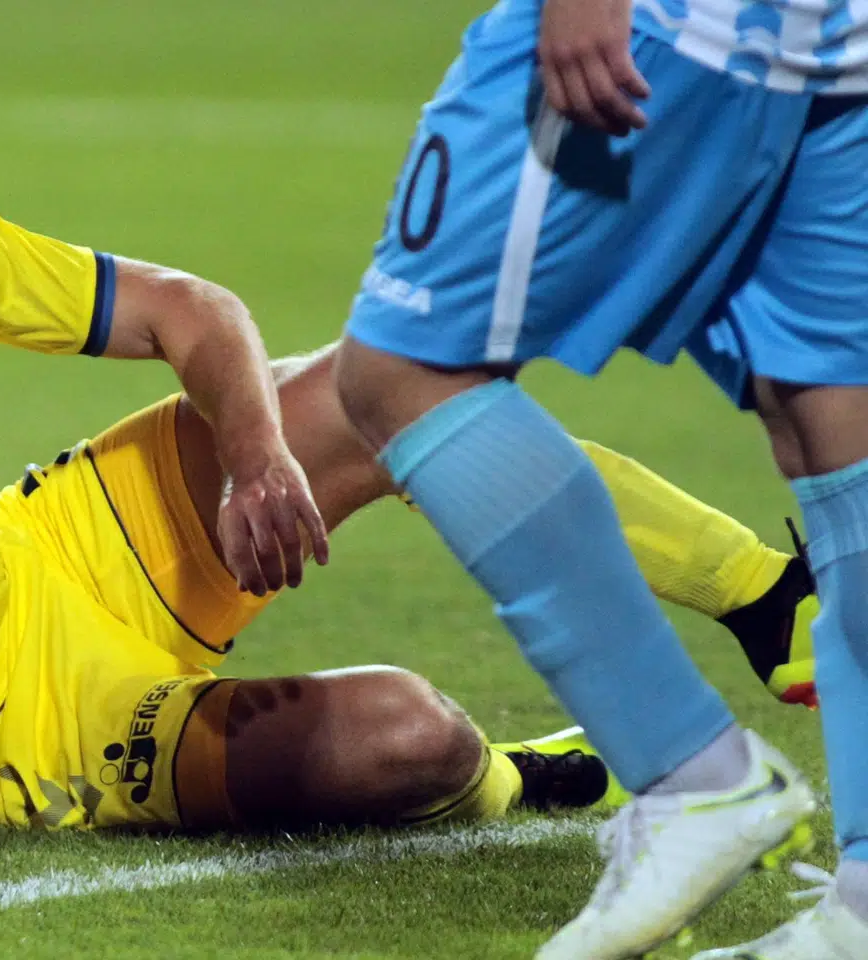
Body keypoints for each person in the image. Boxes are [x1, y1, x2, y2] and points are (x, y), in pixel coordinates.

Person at [0, 98, 810, 849]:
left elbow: (192, 311)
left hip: (53, 549)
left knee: (390, 384)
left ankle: (771, 598)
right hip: (5, 741)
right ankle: (521, 781)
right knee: (409, 738)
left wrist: (254, 461)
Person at [331, 0, 868, 956]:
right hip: (834, 41)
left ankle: (688, 775)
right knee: (833, 421)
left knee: (403, 371)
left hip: (683, 24)